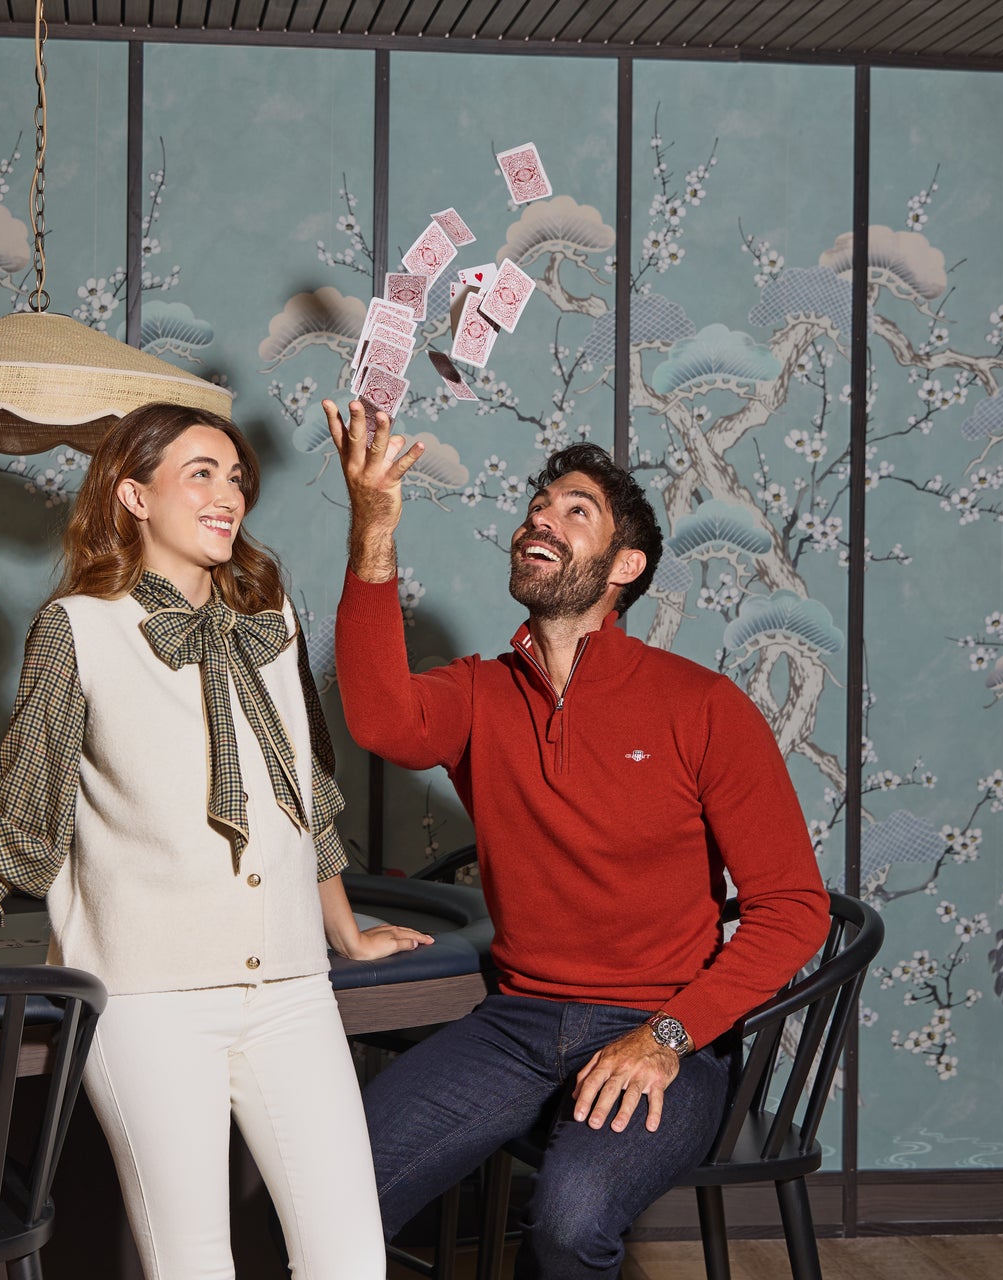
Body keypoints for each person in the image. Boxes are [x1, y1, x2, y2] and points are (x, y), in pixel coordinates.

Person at [0, 402, 431, 1279]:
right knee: (193, 1266)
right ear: (134, 495)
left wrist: (347, 931)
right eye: (200, 474)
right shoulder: (80, 631)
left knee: (352, 1261)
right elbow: (18, 825)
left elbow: (309, 801)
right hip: (149, 1002)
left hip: (292, 987)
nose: (228, 495)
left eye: (237, 478)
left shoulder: (272, 624)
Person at [322, 398, 830, 1279]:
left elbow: (793, 912)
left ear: (625, 565)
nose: (540, 519)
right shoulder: (481, 694)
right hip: (515, 1023)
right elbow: (377, 716)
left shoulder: (704, 706)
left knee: (568, 1224)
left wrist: (668, 1037)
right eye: (538, 505)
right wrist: (373, 525)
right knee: (329, 1195)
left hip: (666, 1032)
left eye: (574, 510)